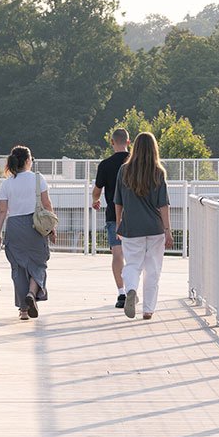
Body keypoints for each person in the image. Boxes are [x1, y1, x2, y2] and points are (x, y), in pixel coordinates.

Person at [113, 131, 173, 320]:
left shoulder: (124, 170)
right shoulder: (158, 172)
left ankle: (130, 290)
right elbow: (163, 204)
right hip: (155, 228)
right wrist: (168, 231)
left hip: (131, 228)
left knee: (132, 264)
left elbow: (118, 201)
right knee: (153, 269)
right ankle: (148, 310)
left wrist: (118, 224)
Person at [0, 145, 56, 320]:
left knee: (19, 268)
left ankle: (23, 311)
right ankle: (31, 293)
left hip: (14, 226)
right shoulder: (38, 178)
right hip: (34, 225)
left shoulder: (7, 183)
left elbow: (2, 211)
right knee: (39, 263)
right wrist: (52, 228)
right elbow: (47, 204)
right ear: (28, 160)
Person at [92, 127, 131, 308]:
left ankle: (121, 293)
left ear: (112, 142)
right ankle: (134, 289)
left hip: (113, 216)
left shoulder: (105, 164)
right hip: (136, 215)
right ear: (128, 142)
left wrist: (95, 200)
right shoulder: (135, 161)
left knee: (117, 254)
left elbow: (97, 190)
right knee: (136, 255)